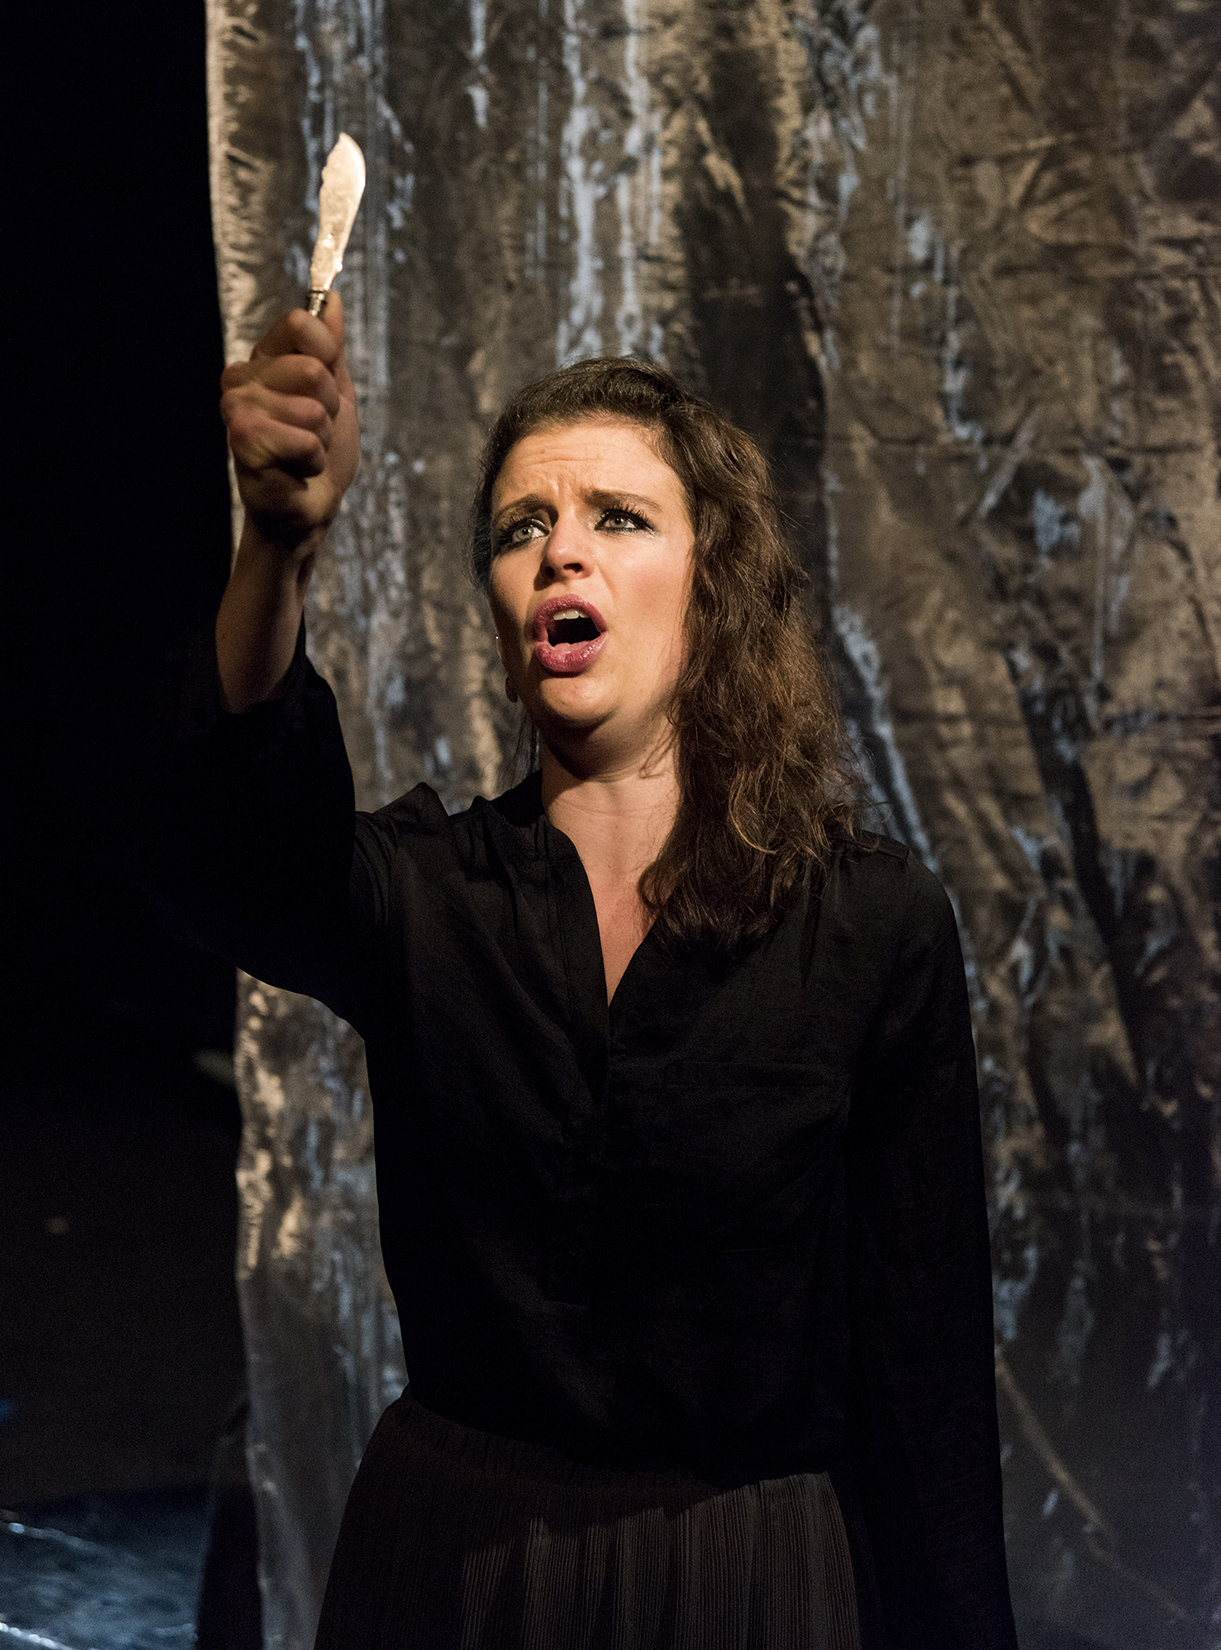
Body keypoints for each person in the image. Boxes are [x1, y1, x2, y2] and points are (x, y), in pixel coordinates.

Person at [142, 297, 1018, 1649]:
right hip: (453, 1572)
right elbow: (226, 859)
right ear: (503, 615)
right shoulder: (430, 893)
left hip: (742, 1589)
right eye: (520, 528)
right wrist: (279, 547)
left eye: (618, 517)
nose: (561, 549)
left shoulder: (864, 923)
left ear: (713, 583)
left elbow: (925, 1374)